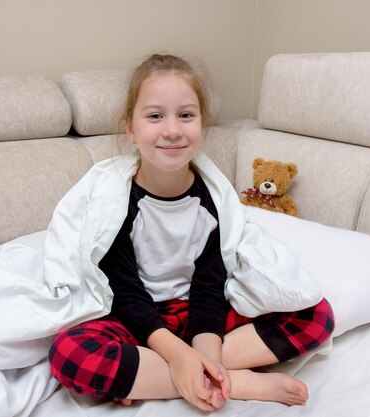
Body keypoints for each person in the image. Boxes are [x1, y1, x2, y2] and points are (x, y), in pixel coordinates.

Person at [47, 53, 334, 412]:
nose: (172, 130)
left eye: (186, 115)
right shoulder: (114, 203)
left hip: (200, 317)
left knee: (315, 313)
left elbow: (209, 288)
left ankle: (180, 375)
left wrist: (203, 352)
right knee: (68, 353)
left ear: (202, 123)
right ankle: (237, 381)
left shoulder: (212, 200)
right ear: (131, 129)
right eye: (155, 116)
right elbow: (125, 293)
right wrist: (177, 355)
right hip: (136, 320)